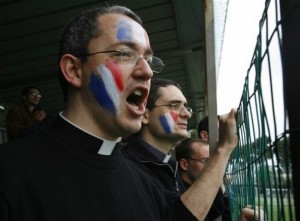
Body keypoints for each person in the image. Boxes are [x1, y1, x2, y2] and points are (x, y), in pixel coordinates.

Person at [0, 5, 195, 221]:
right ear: (74, 70)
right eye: (124, 53)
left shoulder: (148, 186)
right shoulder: (9, 173)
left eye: (148, 60)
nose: (147, 71)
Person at [122, 77, 238, 220]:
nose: (187, 113)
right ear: (145, 115)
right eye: (174, 105)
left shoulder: (168, 165)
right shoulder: (127, 168)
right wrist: (224, 149)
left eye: (185, 106)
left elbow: (194, 212)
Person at [175, 138, 265, 221]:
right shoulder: (175, 196)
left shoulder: (213, 193)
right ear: (184, 164)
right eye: (205, 161)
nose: (212, 166)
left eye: (212, 161)